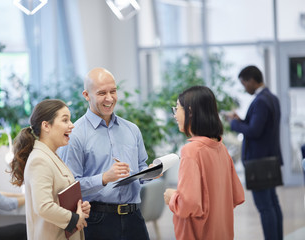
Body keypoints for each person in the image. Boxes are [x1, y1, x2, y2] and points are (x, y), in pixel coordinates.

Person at [58, 67, 152, 240]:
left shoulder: (132, 129)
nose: (109, 98)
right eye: (102, 93)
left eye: (113, 91)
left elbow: (141, 167)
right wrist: (104, 178)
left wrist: (150, 172)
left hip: (134, 218)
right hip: (97, 220)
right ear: (86, 95)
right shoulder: (75, 134)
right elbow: (68, 187)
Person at [163, 86, 245, 240]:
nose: (174, 115)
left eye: (177, 109)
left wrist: (172, 197)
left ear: (190, 112)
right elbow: (236, 195)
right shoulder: (221, 148)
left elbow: (188, 205)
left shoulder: (191, 151)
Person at [9, 99, 90, 240]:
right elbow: (43, 206)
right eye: (65, 120)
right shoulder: (39, 160)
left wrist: (79, 209)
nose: (71, 125)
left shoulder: (51, 156)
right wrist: (74, 218)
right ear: (46, 126)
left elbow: (58, 197)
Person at [227, 65, 283, 240]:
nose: (245, 88)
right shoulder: (271, 98)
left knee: (265, 207)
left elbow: (255, 131)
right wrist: (241, 120)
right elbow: (259, 127)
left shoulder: (260, 101)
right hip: (270, 158)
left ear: (251, 80)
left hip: (259, 161)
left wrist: (234, 124)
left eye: (244, 84)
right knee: (272, 204)